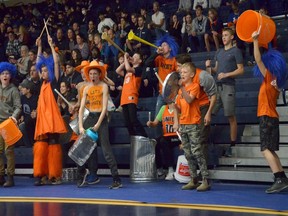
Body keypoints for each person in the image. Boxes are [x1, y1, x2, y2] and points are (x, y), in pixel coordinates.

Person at [252, 31, 288, 193]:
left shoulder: (269, 77)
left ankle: (279, 178)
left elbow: (258, 59)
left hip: (266, 116)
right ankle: (282, 177)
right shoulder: (276, 84)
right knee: (270, 149)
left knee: (265, 149)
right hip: (272, 117)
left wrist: (255, 41)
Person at [77, 60, 122, 189]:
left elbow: (104, 108)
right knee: (83, 148)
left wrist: (97, 124)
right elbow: (81, 108)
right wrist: (80, 125)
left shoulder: (104, 86)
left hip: (100, 120)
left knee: (106, 150)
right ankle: (82, 174)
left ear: (99, 74)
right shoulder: (86, 88)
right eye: (90, 73)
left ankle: (116, 178)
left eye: (95, 73)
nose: (92, 76)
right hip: (89, 118)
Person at [33, 35, 68, 186]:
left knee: (53, 144)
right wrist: (39, 47)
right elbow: (37, 63)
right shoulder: (41, 84)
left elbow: (56, 62)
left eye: (45, 70)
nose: (43, 73)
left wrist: (51, 45)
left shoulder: (54, 82)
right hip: (42, 119)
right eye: (42, 71)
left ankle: (55, 175)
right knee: (41, 145)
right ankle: (42, 175)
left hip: (52, 119)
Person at [205, 27, 244, 157]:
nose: (224, 37)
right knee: (208, 113)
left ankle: (233, 144)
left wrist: (226, 74)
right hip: (217, 86)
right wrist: (209, 67)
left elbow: (241, 70)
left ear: (232, 37)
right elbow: (215, 70)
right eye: (223, 35)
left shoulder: (236, 51)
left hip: (228, 86)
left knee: (230, 116)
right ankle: (205, 141)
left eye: (226, 35)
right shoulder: (219, 52)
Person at [173, 62, 210, 191]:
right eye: (181, 72)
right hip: (183, 124)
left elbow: (189, 100)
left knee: (197, 152)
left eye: (185, 72)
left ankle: (205, 179)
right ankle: (194, 179)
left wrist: (182, 88)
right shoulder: (179, 90)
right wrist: (175, 118)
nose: (182, 74)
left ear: (192, 74)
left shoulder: (195, 86)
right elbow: (178, 108)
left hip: (193, 123)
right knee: (188, 153)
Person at [176, 53, 217, 163]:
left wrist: (209, 112)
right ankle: (196, 171)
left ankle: (203, 172)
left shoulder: (202, 76)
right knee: (192, 141)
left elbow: (213, 95)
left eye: (179, 66)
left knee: (201, 138)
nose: (177, 69)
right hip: (191, 109)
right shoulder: (182, 79)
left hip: (204, 106)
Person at [145, 34, 178, 138]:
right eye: (161, 45)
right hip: (162, 93)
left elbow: (177, 76)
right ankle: (160, 141)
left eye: (165, 45)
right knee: (157, 119)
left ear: (170, 47)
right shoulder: (159, 58)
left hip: (173, 94)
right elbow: (147, 63)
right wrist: (156, 53)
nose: (162, 47)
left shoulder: (174, 60)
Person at [0, 62, 21, 187]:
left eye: (7, 73)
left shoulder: (13, 90)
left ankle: (10, 177)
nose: (4, 75)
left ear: (10, 75)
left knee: (9, 151)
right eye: (2, 73)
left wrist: (14, 116)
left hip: (8, 123)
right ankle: (0, 175)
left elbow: (18, 107)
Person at [147, 103, 181, 180]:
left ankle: (171, 169)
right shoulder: (163, 108)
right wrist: (150, 123)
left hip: (177, 136)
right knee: (155, 143)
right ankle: (159, 169)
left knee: (163, 142)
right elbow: (155, 123)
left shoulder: (178, 106)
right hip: (166, 136)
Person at [116, 52, 147, 137]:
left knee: (133, 120)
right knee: (127, 122)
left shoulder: (139, 70)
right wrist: (125, 60)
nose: (133, 57)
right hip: (124, 97)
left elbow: (129, 69)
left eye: (136, 57)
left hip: (132, 96)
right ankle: (133, 138)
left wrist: (126, 58)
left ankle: (144, 136)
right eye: (133, 56)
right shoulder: (127, 71)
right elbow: (118, 70)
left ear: (140, 60)